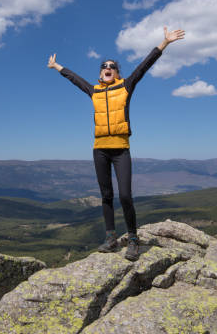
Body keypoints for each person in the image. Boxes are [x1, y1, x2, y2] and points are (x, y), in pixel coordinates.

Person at [47, 27, 185, 260]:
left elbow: (144, 65)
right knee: (106, 195)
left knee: (125, 196)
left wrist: (165, 42)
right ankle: (111, 238)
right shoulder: (93, 91)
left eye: (112, 67)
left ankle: (132, 239)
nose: (108, 68)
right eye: (104, 67)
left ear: (117, 73)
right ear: (100, 74)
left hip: (121, 149)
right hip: (99, 149)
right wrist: (57, 67)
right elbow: (75, 79)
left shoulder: (126, 86)